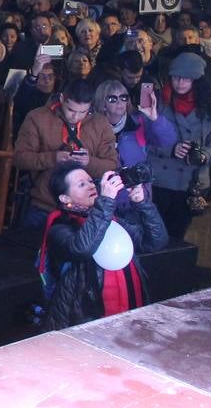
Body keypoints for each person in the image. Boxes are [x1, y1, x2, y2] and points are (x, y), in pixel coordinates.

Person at [39, 165, 167, 330]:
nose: (91, 186)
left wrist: (142, 204)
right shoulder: (59, 227)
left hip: (130, 302)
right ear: (65, 198)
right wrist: (105, 202)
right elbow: (83, 248)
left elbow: (155, 241)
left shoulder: (109, 219)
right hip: (85, 316)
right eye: (81, 184)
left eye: (91, 181)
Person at [13, 78, 118, 230]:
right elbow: (20, 158)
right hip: (44, 206)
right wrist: (53, 158)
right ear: (62, 98)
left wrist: (89, 162)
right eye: (71, 110)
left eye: (83, 112)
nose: (75, 117)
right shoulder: (37, 117)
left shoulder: (100, 123)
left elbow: (113, 166)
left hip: (88, 211)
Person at [148, 52, 211, 239]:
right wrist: (171, 150)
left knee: (177, 235)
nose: (180, 82)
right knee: (154, 234)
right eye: (176, 77)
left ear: (197, 80)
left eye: (186, 78)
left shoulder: (208, 106)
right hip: (160, 180)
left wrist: (204, 155)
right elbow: (145, 141)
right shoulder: (158, 101)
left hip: (190, 183)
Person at [92, 79, 175, 200]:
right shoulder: (92, 127)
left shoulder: (139, 122)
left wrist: (155, 119)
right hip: (106, 197)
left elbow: (168, 140)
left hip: (138, 196)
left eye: (124, 97)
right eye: (112, 99)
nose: (119, 102)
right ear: (103, 104)